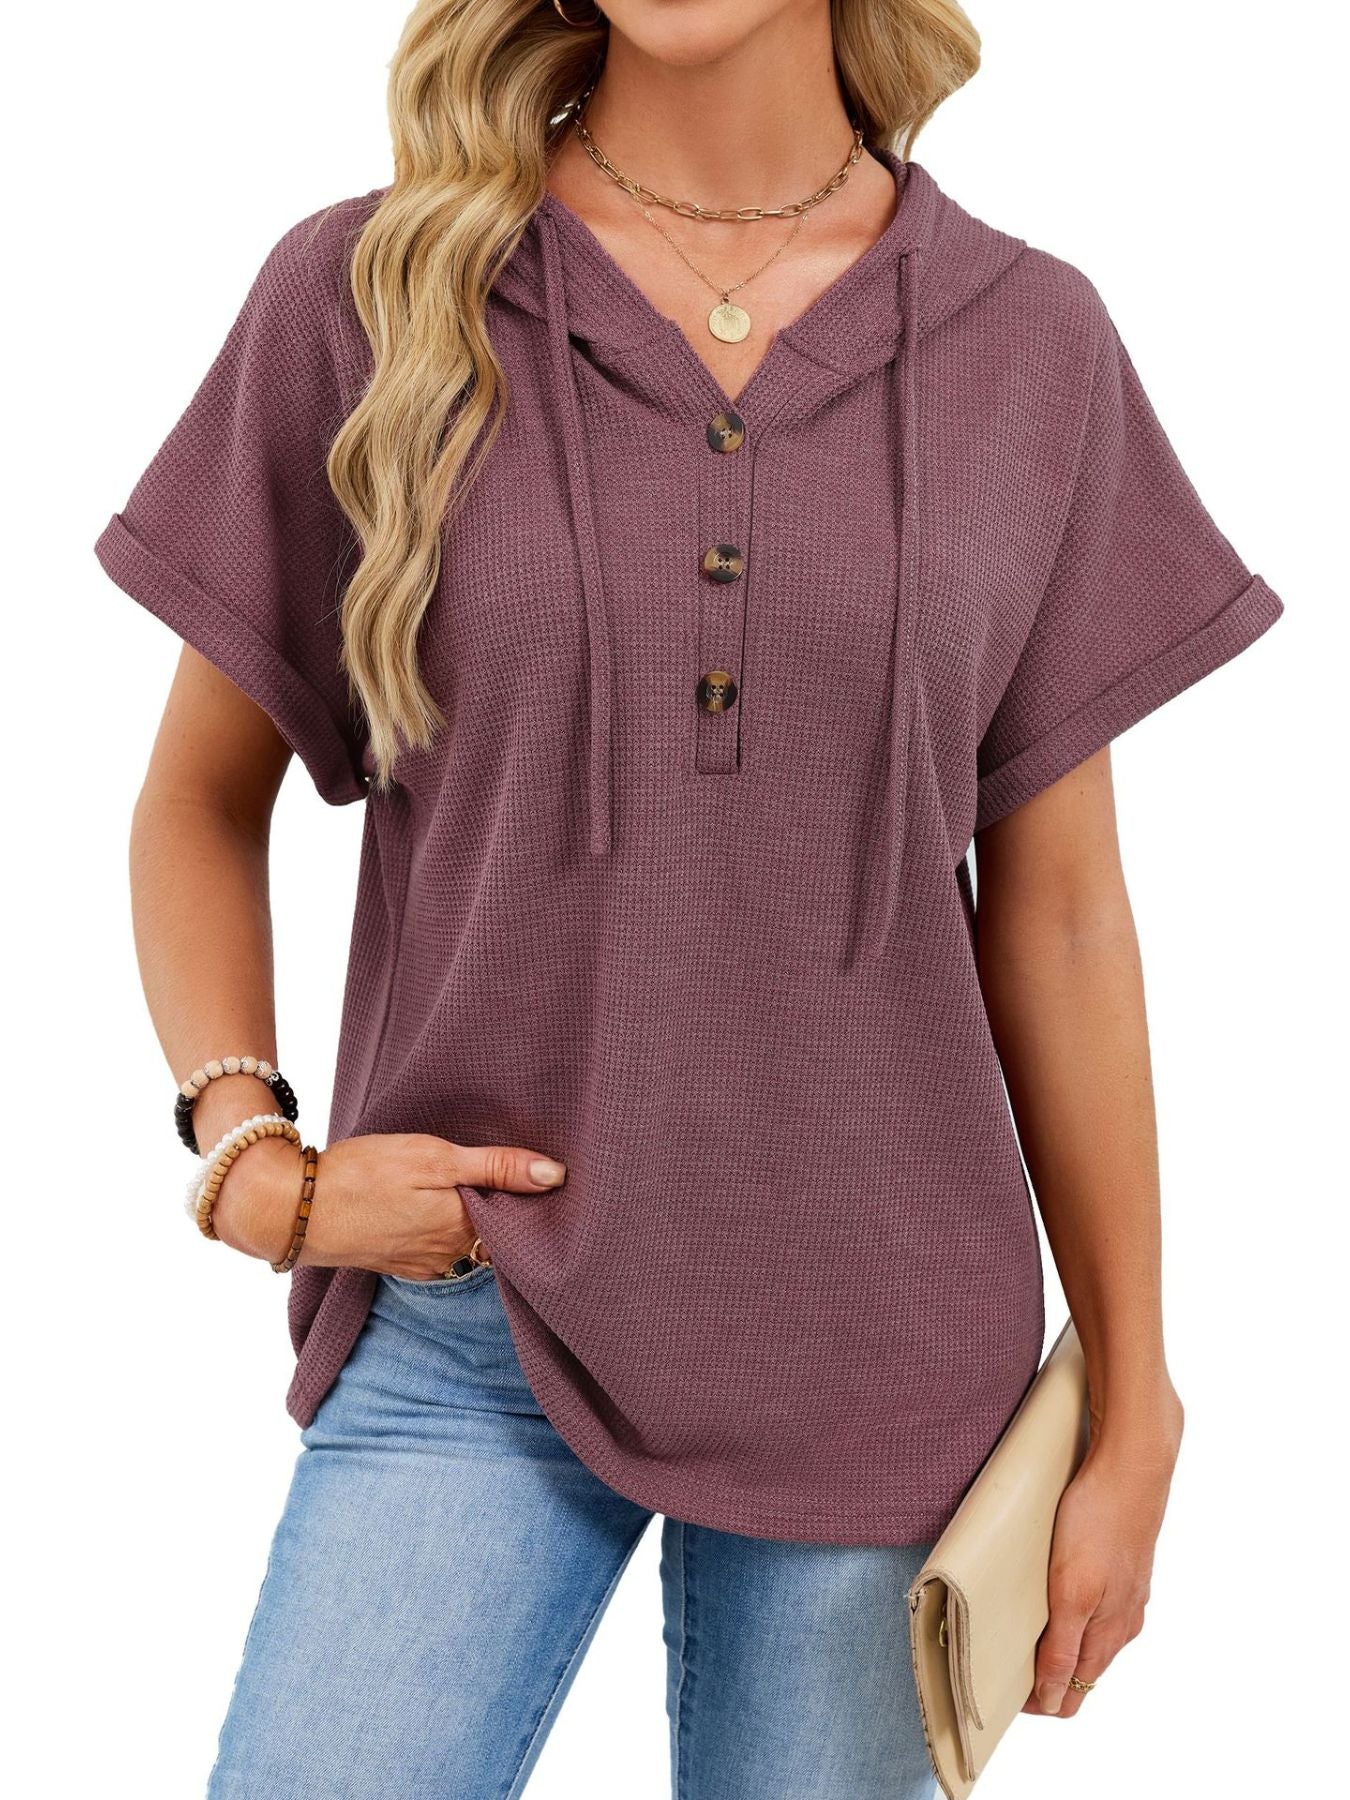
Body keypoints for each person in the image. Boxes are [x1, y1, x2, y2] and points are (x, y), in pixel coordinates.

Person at [92, 1, 1285, 1794]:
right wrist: (252, 1161)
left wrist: (1134, 1398)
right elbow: (196, 801)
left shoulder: (1029, 341)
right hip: (474, 1311)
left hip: (884, 1357)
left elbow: (1057, 917)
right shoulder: (374, 291)